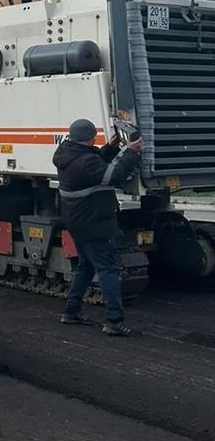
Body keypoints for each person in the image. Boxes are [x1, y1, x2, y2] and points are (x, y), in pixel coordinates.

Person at [54, 118, 144, 336]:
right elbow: (111, 175)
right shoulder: (84, 162)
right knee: (108, 270)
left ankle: (71, 312)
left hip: (79, 222)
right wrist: (130, 152)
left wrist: (111, 148)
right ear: (91, 137)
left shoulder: (68, 153)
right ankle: (114, 321)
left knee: (86, 267)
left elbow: (93, 165)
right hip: (94, 223)